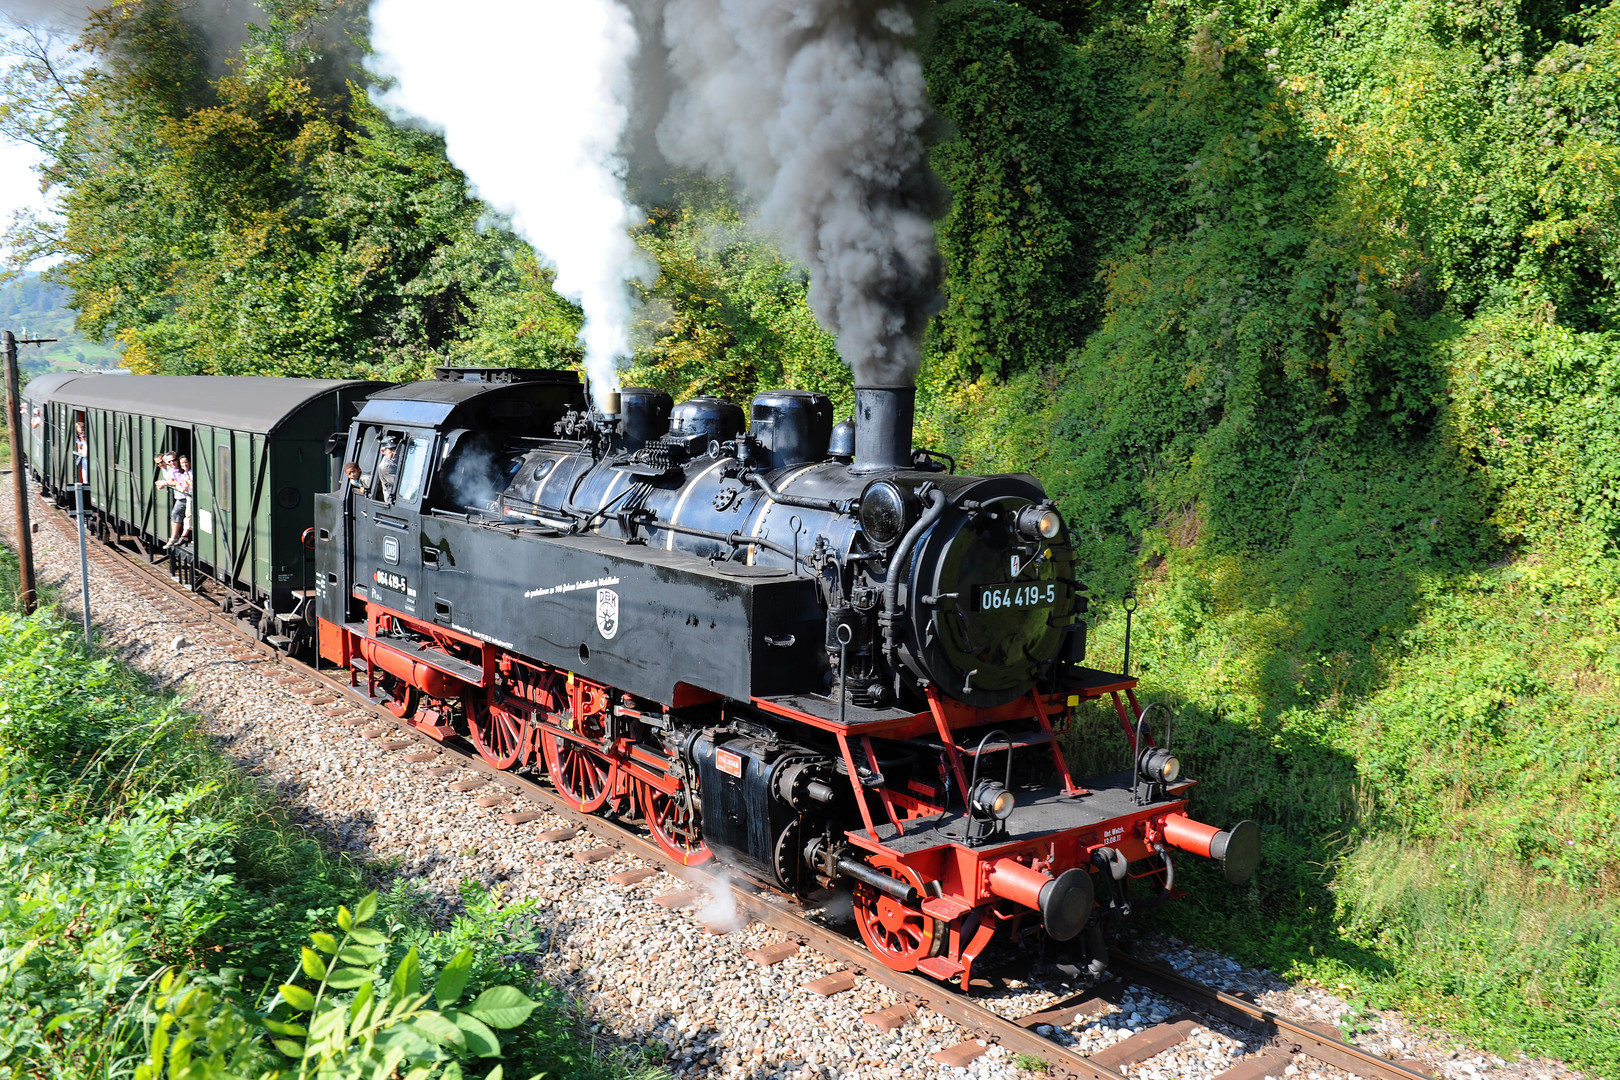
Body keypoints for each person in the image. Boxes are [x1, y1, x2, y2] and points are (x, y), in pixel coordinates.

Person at [73, 420, 88, 485]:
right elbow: (79, 448)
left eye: (82, 427)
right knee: (84, 468)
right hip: (84, 455)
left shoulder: (86, 435)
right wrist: (81, 451)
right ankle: (85, 481)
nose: (81, 429)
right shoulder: (78, 437)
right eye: (79, 427)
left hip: (87, 454)